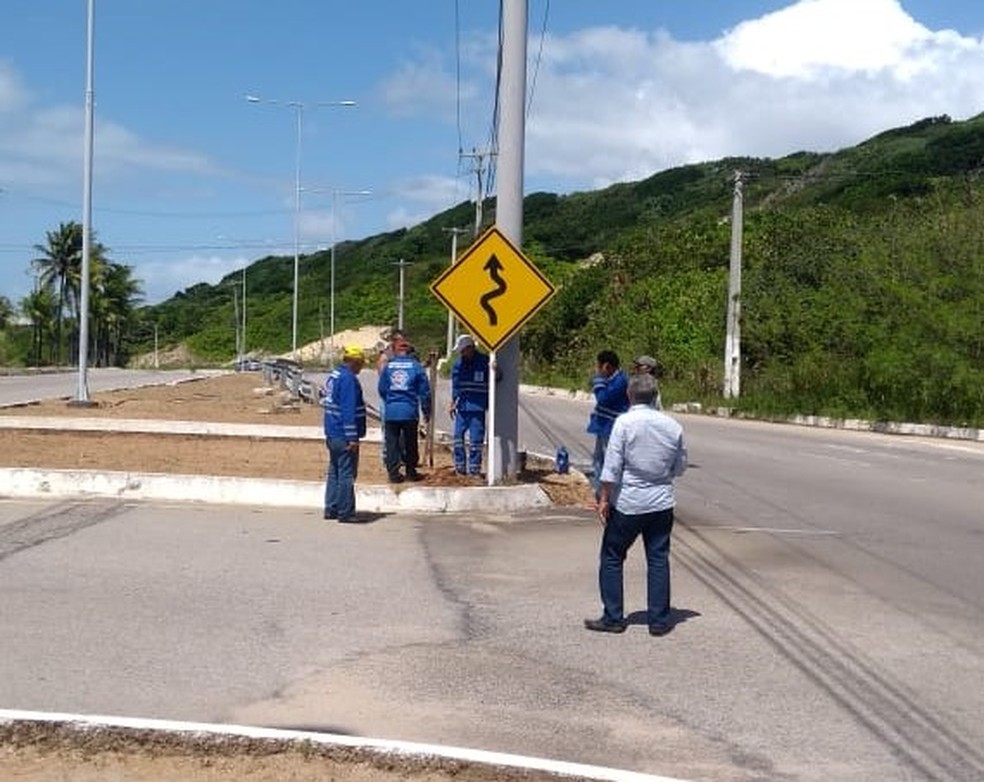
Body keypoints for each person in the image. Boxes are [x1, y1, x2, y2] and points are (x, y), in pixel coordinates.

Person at [584, 373, 687, 636]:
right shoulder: (673, 426)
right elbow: (680, 467)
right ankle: (659, 620)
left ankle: (613, 617)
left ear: (629, 395)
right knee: (658, 558)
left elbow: (611, 467)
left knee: (612, 556)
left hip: (628, 502)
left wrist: (604, 499)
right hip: (661, 503)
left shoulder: (624, 423)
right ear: (655, 396)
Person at [322, 346, 367, 523]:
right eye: (361, 364)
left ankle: (331, 507)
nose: (361, 367)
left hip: (332, 431)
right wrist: (352, 437)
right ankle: (345, 512)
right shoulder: (348, 379)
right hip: (343, 434)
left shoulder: (335, 375)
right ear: (354, 362)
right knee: (347, 474)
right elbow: (348, 411)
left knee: (334, 471)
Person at [378, 336, 431, 483]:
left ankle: (393, 473)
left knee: (392, 443)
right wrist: (427, 411)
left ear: (395, 351)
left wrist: (390, 401)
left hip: (391, 411)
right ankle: (410, 472)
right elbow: (425, 392)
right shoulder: (416, 367)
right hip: (409, 411)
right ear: (409, 351)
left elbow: (382, 389)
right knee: (410, 442)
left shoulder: (389, 366)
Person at [586, 349, 630, 499]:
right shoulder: (611, 379)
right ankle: (598, 493)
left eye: (599, 366)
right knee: (598, 459)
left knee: (608, 461)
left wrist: (599, 379)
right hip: (602, 425)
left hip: (611, 427)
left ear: (607, 366)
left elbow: (603, 398)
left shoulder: (620, 381)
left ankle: (608, 496)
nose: (598, 369)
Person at [449, 334, 491, 476]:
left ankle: (474, 470)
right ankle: (460, 467)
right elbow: (456, 385)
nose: (461, 353)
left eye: (463, 350)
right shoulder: (458, 364)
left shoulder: (485, 362)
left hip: (478, 407)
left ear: (470, 348)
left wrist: (496, 370)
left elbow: (497, 378)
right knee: (457, 438)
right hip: (462, 406)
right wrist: (453, 402)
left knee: (476, 441)